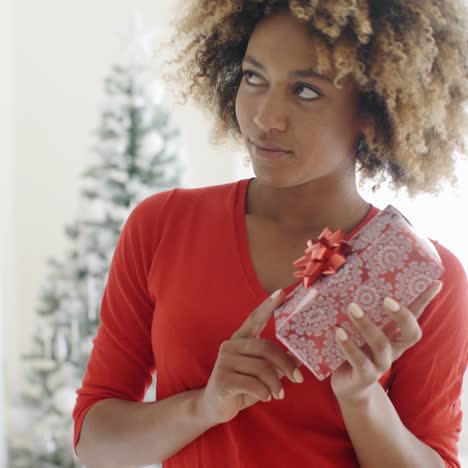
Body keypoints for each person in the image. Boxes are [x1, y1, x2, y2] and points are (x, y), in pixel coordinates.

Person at [72, 1, 468, 467]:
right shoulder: (162, 226)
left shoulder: (426, 281)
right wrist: (205, 406)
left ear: (373, 109)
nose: (264, 117)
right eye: (253, 78)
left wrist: (362, 399)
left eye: (305, 90)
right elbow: (95, 444)